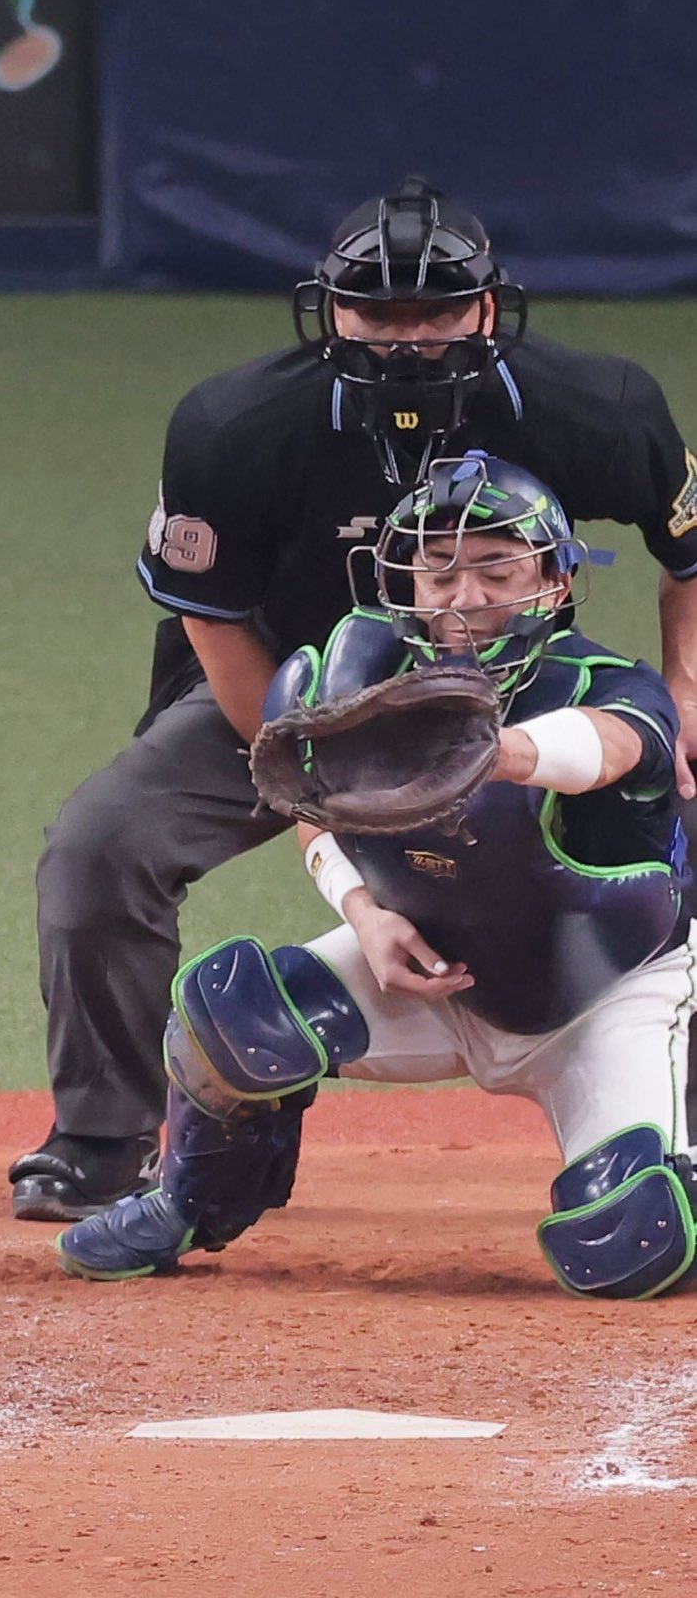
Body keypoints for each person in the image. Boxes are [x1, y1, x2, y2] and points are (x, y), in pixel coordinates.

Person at [10, 177, 697, 1222]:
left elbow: (688, 547)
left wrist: (683, 692)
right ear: (328, 311)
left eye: (436, 309)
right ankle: (102, 1140)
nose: (408, 336)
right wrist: (310, 767)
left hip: (526, 689)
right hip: (291, 692)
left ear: (487, 308)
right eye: (379, 312)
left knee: (671, 821)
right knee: (101, 845)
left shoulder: (593, 406)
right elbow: (212, 619)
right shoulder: (234, 425)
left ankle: (668, 1112)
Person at [56, 455, 697, 1299]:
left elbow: (610, 747)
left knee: (632, 1241)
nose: (465, 598)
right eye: (440, 574)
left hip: (603, 999)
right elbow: (312, 806)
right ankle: (188, 1203)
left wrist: (498, 752)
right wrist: (363, 912)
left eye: (497, 570)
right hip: (434, 971)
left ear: (554, 581)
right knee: (230, 1016)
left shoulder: (613, 687)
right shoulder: (357, 679)